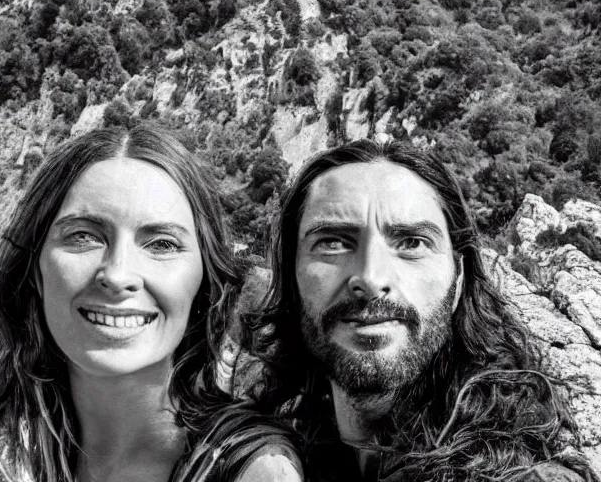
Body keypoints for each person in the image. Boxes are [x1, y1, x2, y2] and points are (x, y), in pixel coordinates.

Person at [0, 125, 302, 482]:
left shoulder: (256, 470)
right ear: (36, 272)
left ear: (203, 282)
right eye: (84, 236)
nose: (117, 275)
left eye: (162, 244)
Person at [241, 139, 596, 481]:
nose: (370, 277)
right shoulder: (282, 450)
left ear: (458, 283)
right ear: (290, 279)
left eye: (412, 242)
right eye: (332, 242)